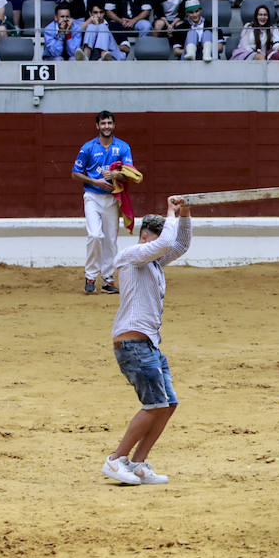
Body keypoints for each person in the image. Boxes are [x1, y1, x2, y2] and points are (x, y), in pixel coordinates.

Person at [100, 196, 193, 488]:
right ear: (144, 238)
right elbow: (166, 244)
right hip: (133, 345)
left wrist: (186, 214)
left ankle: (138, 463)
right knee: (154, 405)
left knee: (168, 405)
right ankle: (116, 460)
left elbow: (179, 245)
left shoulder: (152, 262)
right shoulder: (131, 255)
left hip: (149, 345)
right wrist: (170, 212)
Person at [73, 111, 134, 294]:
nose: (106, 126)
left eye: (109, 123)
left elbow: (130, 173)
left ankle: (108, 279)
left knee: (111, 240)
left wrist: (116, 175)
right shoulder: (88, 148)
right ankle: (91, 275)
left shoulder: (123, 147)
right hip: (92, 196)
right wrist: (95, 181)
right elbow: (75, 173)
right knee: (95, 235)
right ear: (97, 126)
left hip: (113, 198)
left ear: (114, 125)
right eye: (103, 123)